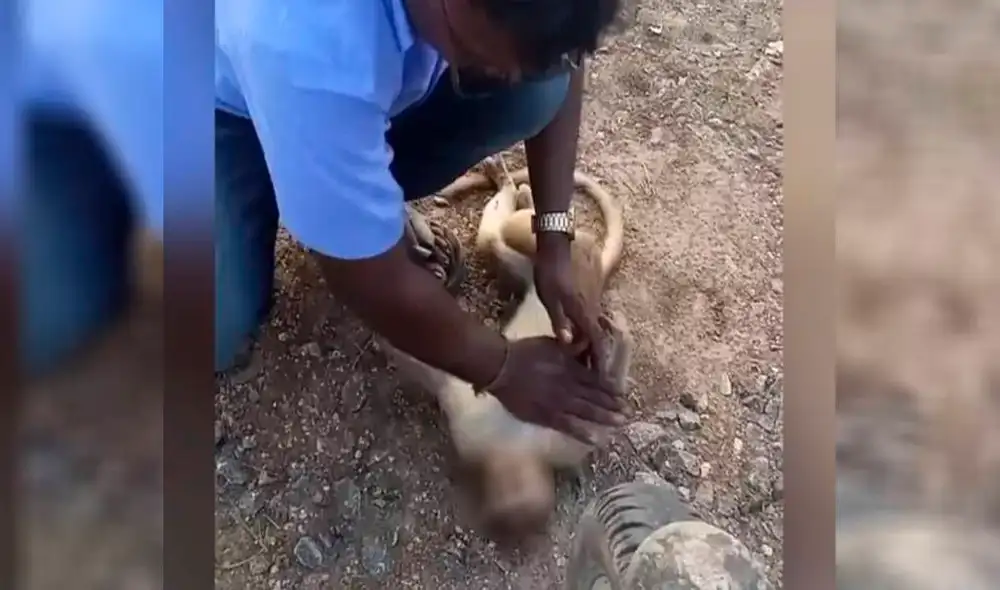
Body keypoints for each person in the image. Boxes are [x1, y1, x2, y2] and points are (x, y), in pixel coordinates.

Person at [214, 0, 626, 441]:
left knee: (532, 89)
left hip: (326, 77)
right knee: (215, 326)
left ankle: (339, 179)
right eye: (477, 52)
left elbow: (558, 52)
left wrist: (555, 239)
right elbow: (362, 277)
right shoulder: (303, 34)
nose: (505, 76)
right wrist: (502, 368)